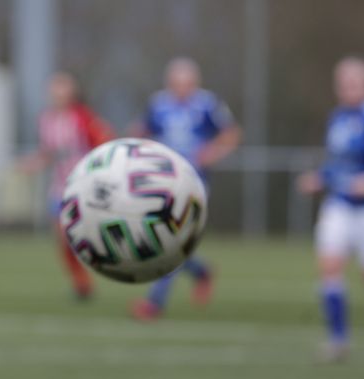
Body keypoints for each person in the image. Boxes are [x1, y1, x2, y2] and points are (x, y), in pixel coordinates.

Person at [297, 56, 364, 361]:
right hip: (340, 205)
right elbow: (337, 162)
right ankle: (338, 340)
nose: (347, 88)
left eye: (353, 82)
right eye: (342, 83)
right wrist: (320, 177)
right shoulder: (338, 118)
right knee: (329, 266)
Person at [131, 57, 242, 320]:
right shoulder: (159, 104)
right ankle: (201, 271)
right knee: (167, 240)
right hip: (162, 182)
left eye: (186, 83)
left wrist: (212, 153)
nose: (181, 88)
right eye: (176, 83)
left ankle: (154, 303)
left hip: (195, 182)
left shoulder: (207, 104)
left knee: (171, 239)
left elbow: (231, 133)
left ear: (195, 83)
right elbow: (141, 131)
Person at [20, 71, 113, 300]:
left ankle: (96, 273)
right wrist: (33, 164)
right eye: (54, 88)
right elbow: (48, 153)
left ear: (72, 92)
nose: (57, 92)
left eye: (62, 87)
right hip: (59, 188)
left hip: (85, 188)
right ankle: (81, 282)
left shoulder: (82, 117)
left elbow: (104, 141)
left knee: (86, 236)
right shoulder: (46, 120)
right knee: (63, 240)